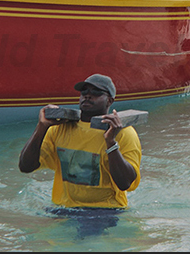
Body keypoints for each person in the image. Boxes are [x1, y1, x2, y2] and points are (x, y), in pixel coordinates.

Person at [18, 74, 142, 209]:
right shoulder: (59, 128)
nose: (88, 95)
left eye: (96, 92)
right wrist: (41, 127)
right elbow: (25, 167)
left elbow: (125, 184)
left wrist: (111, 142)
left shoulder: (124, 133)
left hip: (107, 210)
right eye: (84, 92)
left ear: (109, 101)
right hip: (64, 208)